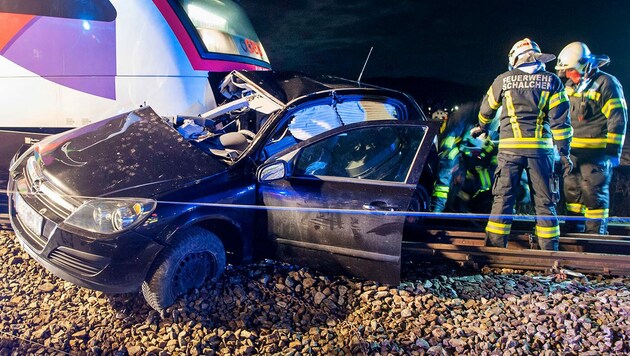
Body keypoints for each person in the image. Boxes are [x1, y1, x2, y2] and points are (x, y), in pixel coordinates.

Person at [477, 38, 573, 250]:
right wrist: (564, 153)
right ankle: (548, 251)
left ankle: (495, 250)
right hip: (541, 152)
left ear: (514, 58)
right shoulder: (552, 81)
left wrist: (482, 127)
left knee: (503, 199)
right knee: (545, 202)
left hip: (509, 151)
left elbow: (486, 112)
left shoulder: (503, 80)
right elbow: (561, 123)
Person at [555, 42, 628, 235]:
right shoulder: (570, 85)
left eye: (571, 70)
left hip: (597, 155)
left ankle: (595, 238)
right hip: (573, 155)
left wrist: (613, 152)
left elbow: (618, 118)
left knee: (593, 196)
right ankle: (573, 235)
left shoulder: (607, 83)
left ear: (584, 66)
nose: (568, 75)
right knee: (572, 195)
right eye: (566, 71)